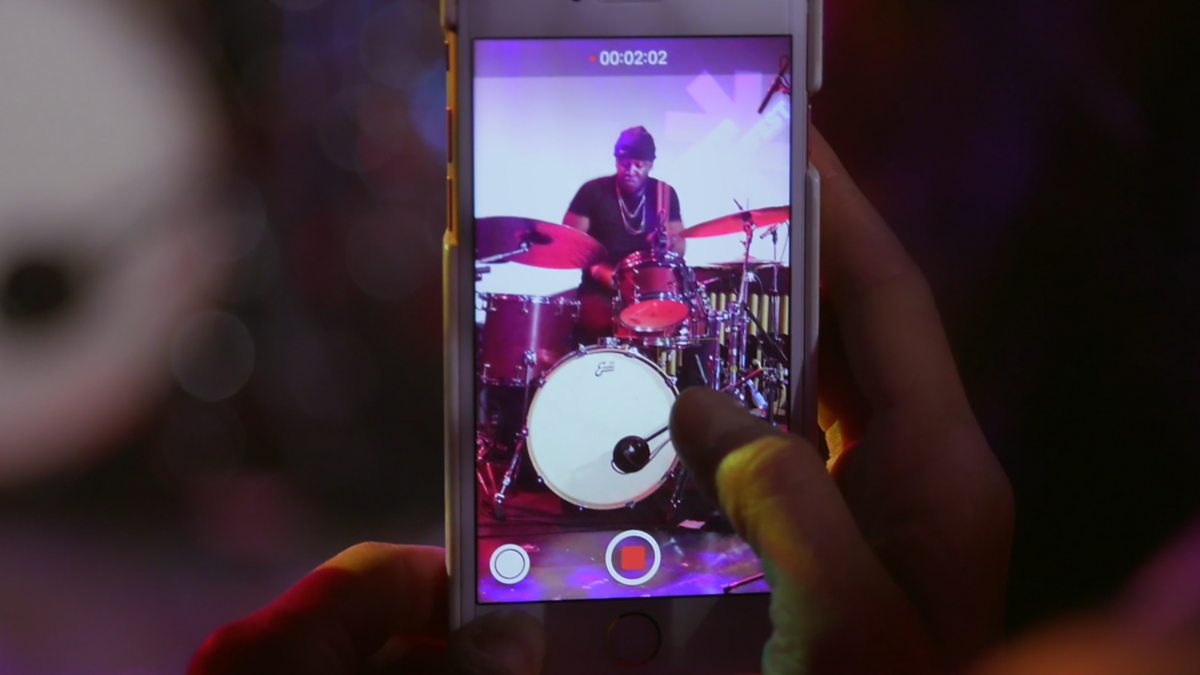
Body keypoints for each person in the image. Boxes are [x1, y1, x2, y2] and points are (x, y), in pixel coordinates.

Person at [187, 130, 1200, 674]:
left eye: (644, 165)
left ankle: (680, 463)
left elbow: (668, 254)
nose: (638, 175)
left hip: (654, 307)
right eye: (632, 163)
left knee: (689, 331)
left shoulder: (668, 198)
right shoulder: (595, 192)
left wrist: (668, 270)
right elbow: (576, 252)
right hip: (598, 304)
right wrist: (607, 276)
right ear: (617, 161)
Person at [563, 126, 687, 342]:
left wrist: (669, 242)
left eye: (638, 165)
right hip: (600, 290)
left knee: (678, 322)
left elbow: (680, 249)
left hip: (647, 292)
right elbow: (570, 244)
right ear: (616, 161)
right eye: (624, 164)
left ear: (650, 165)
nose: (630, 170)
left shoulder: (664, 193)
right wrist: (597, 269)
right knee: (595, 321)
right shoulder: (593, 191)